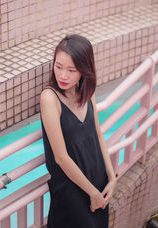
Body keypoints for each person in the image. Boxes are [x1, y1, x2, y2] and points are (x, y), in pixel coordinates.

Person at [40, 34, 117, 228]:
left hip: (98, 182)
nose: (63, 75)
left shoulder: (87, 93)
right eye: (58, 67)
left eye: (71, 70)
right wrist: (92, 193)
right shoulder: (50, 98)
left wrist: (111, 176)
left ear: (84, 70)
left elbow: (98, 133)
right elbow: (61, 158)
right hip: (72, 190)